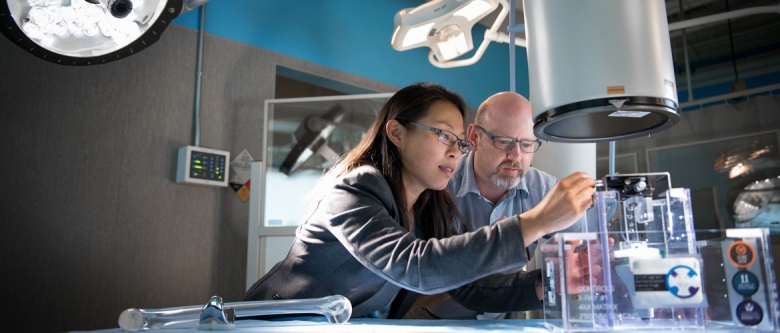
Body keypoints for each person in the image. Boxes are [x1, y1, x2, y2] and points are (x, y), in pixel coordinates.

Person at [243, 82, 595, 319]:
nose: (455, 152)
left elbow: (470, 289)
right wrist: (535, 223)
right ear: (396, 132)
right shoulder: (354, 190)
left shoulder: (429, 208)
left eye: (458, 142)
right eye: (444, 135)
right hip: (274, 323)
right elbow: (414, 266)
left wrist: (545, 284)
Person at [409, 91, 588, 320]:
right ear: (474, 137)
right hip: (435, 318)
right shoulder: (437, 187)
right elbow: (416, 280)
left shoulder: (543, 190)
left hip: (506, 315)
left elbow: (582, 257)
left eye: (526, 144)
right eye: (503, 141)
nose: (515, 155)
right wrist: (493, 250)